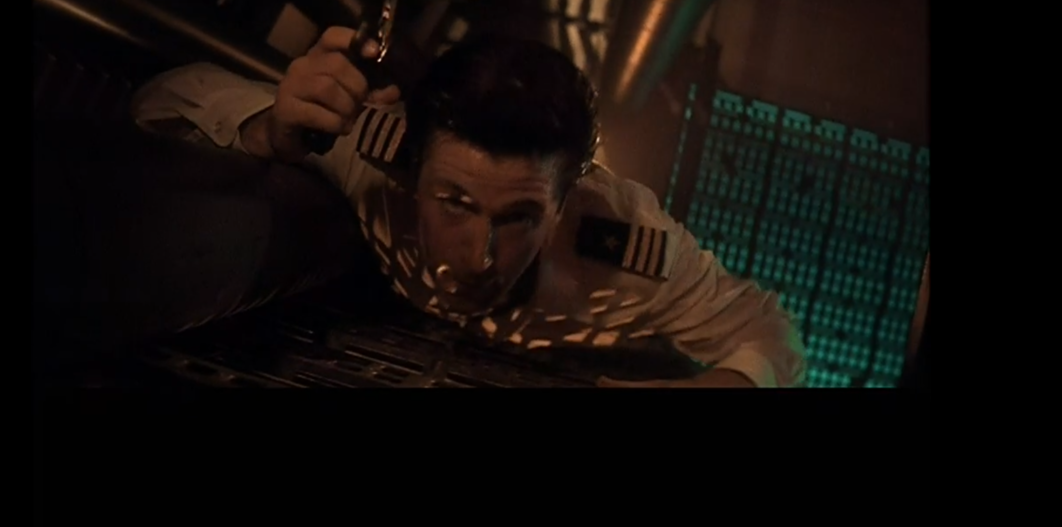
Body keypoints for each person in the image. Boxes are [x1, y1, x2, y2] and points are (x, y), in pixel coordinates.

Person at [131, 27, 807, 387]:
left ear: (566, 200)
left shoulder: (623, 241)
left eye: (519, 218)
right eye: (453, 201)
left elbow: (774, 337)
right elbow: (161, 98)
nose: (479, 257)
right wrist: (267, 131)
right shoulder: (370, 150)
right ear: (412, 167)